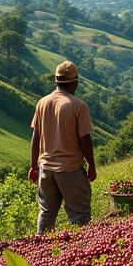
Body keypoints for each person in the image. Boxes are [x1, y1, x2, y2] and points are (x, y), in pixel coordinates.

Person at [30, 61, 97, 234]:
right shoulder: (77, 105)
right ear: (75, 82)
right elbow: (85, 140)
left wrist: (33, 166)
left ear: (56, 81)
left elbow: (36, 138)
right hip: (70, 170)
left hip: (45, 170)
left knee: (46, 214)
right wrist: (92, 166)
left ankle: (40, 252)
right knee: (79, 216)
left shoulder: (42, 103)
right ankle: (79, 252)